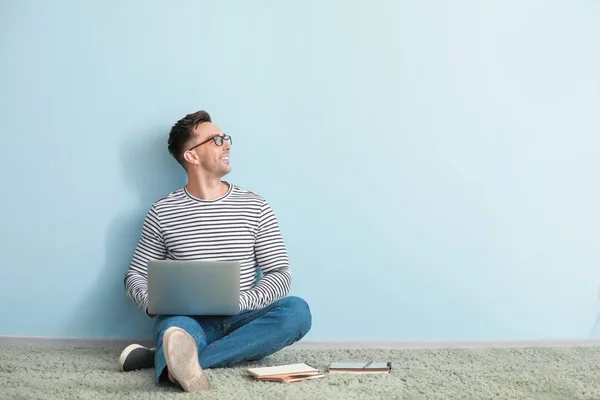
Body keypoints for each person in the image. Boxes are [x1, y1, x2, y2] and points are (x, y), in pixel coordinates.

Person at [117, 110, 312, 392]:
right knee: (174, 329)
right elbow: (134, 275)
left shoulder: (255, 206)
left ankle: (168, 361)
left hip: (244, 317)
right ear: (192, 156)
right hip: (184, 319)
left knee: (297, 312)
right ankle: (174, 354)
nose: (227, 144)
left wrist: (243, 301)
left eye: (225, 138)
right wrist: (152, 303)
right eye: (216, 140)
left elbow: (279, 273)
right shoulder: (163, 212)